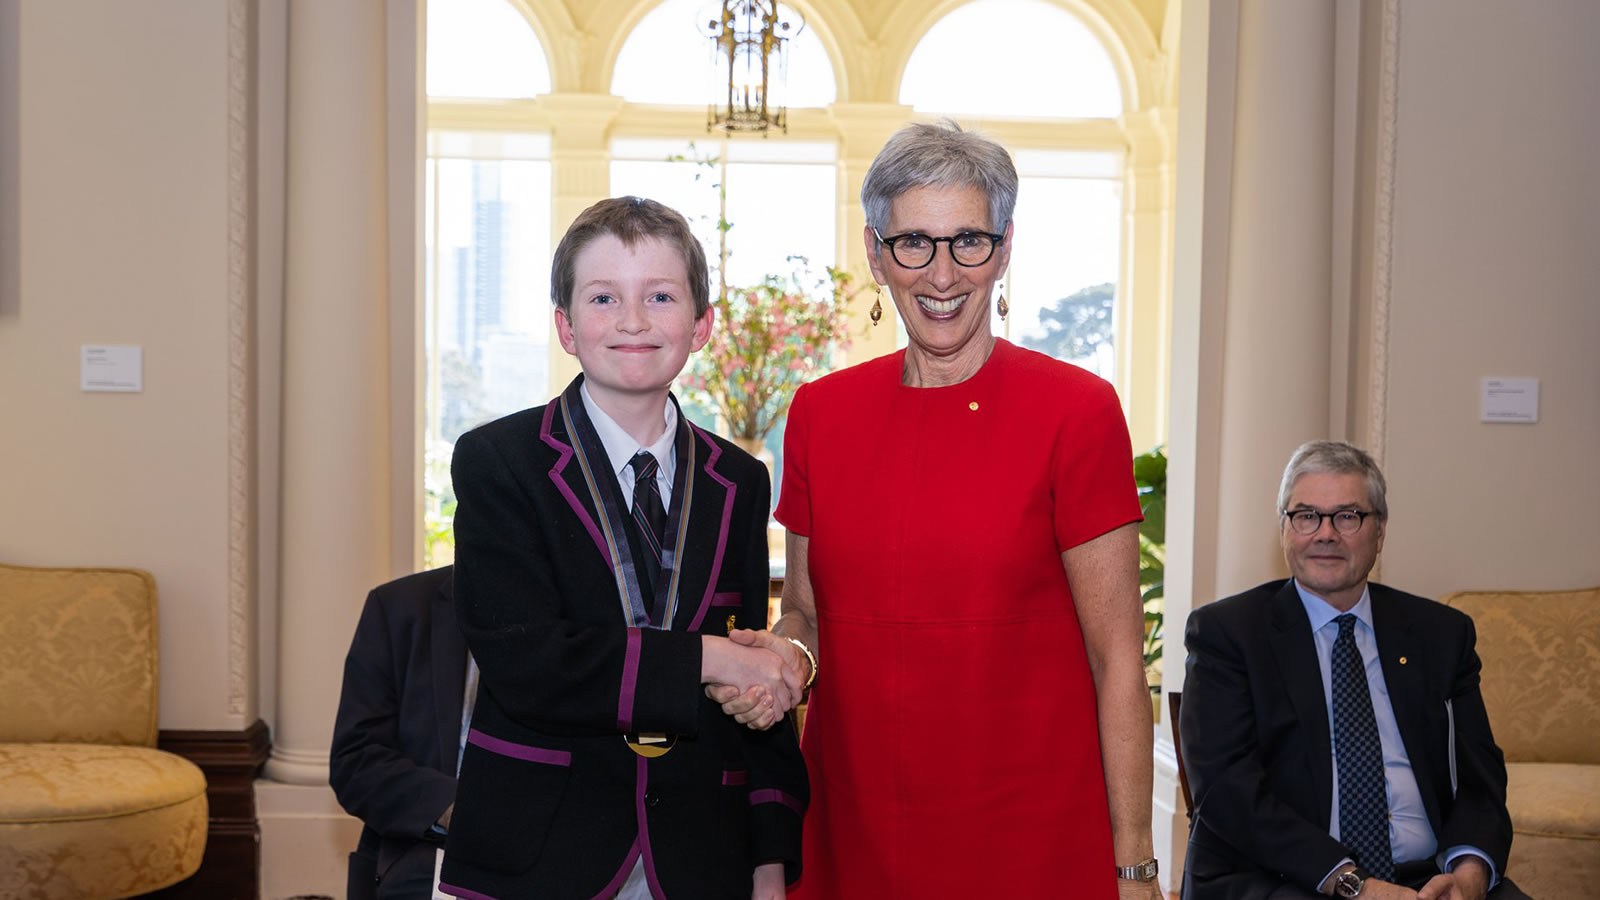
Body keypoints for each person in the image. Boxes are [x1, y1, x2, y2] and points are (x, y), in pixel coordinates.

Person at [711, 120, 1160, 898]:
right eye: (914, 242)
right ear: (875, 251)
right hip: (855, 829)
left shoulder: (1077, 411)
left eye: (969, 242)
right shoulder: (820, 413)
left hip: (1035, 833)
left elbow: (1118, 659)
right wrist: (782, 661)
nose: (942, 273)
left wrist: (1135, 865)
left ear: (1006, 247)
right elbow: (807, 615)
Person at [439, 196, 809, 900]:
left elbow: (753, 675)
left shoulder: (739, 480)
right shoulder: (499, 462)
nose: (634, 320)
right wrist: (711, 658)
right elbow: (530, 663)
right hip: (543, 851)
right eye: (604, 297)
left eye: (661, 297)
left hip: (704, 855)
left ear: (700, 326)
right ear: (566, 326)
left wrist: (768, 862)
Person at [1178, 440, 1529, 900]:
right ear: (1284, 528)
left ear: (1379, 530)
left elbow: (1480, 777)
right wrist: (1354, 885)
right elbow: (1228, 793)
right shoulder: (1227, 634)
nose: (1325, 533)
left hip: (1431, 880)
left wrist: (1468, 874)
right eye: (1306, 516)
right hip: (1285, 878)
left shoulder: (1441, 633)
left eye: (1347, 516)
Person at [331, 565, 471, 900]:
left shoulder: (583, 612)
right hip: (429, 846)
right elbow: (356, 762)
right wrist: (455, 808)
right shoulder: (399, 606)